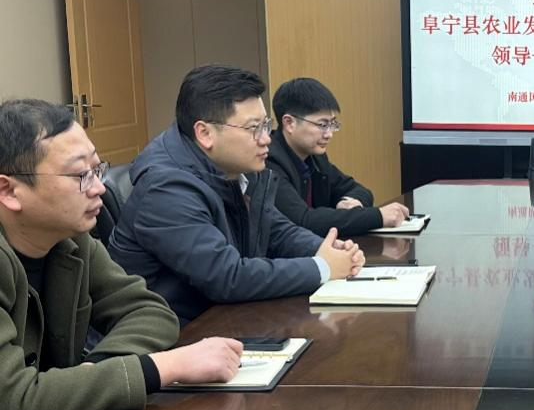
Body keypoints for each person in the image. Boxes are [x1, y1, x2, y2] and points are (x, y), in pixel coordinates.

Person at [0, 99, 242, 410]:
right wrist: (161, 367)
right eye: (80, 175)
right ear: (9, 191)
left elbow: (150, 311)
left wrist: (94, 376)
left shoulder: (71, 240)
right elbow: (13, 409)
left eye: (98, 170)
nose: (99, 187)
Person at [110, 65, 365, 325]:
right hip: (175, 331)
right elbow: (226, 277)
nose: (266, 139)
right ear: (205, 133)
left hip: (223, 317)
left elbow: (275, 229)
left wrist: (324, 248)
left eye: (266, 125)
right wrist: (322, 267)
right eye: (254, 128)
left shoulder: (236, 166)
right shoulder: (166, 189)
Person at [266, 77, 409, 235]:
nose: (329, 134)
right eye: (322, 125)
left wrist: (350, 202)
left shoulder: (315, 157)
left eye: (332, 124)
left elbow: (359, 190)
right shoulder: (268, 161)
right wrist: (378, 216)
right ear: (289, 123)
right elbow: (302, 220)